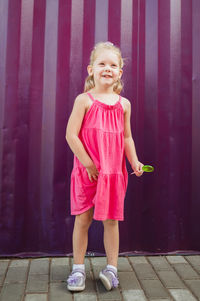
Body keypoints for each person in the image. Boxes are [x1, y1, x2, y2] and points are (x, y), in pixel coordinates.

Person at [65, 41, 144, 292]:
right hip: (88, 172)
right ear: (91, 69)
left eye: (113, 65)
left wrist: (135, 161)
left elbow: (127, 138)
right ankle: (78, 269)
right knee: (83, 219)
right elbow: (71, 135)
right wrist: (87, 163)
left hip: (113, 174)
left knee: (111, 221)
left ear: (120, 73)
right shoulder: (84, 100)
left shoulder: (124, 105)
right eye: (102, 64)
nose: (107, 69)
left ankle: (111, 268)